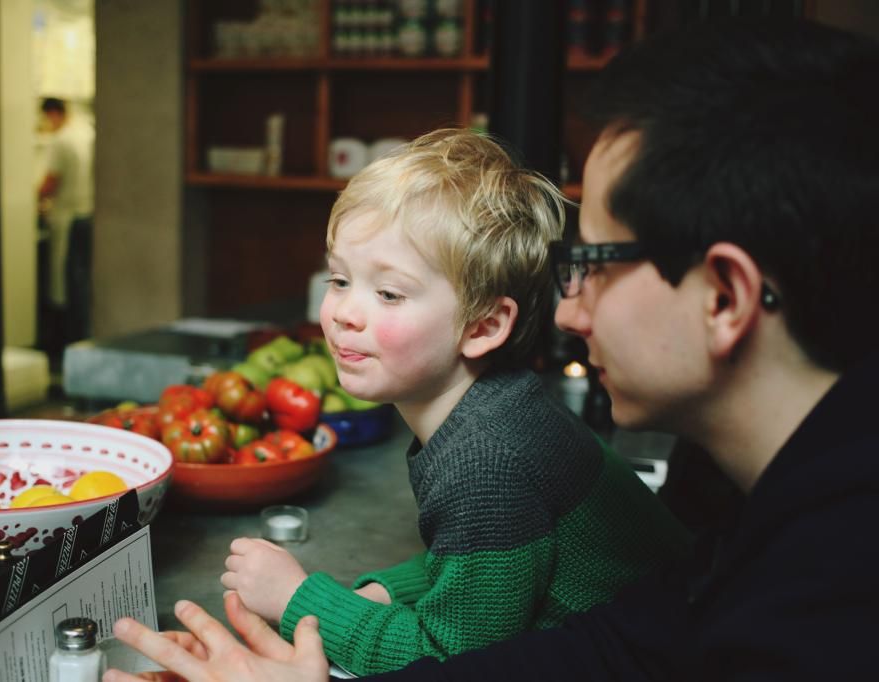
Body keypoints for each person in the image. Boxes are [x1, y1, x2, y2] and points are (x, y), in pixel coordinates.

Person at [103, 18, 879, 682]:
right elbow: (619, 642)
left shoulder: (822, 611)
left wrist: (314, 607)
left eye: (595, 262)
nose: (569, 309)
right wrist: (372, 601)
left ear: (725, 298)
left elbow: (469, 643)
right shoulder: (736, 494)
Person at [220, 128, 689, 676]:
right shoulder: (503, 409)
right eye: (341, 279)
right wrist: (380, 593)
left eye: (389, 293)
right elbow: (481, 571)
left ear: (484, 326)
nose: (345, 311)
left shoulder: (485, 459)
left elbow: (450, 660)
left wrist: (300, 597)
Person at [38, 96, 95, 353]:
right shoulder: (87, 132)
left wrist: (34, 200)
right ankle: (78, 335)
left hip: (67, 216)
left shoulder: (62, 140)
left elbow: (51, 181)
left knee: (64, 283)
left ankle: (62, 341)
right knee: (79, 281)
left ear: (52, 114)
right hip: (88, 212)